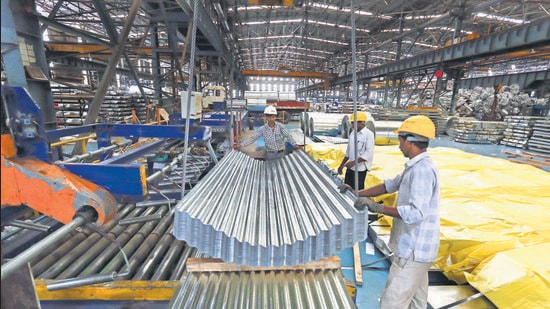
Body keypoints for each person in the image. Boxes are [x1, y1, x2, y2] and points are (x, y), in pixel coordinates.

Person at [352, 115, 440, 309]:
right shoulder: (414, 167)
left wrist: (377, 207)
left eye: (401, 140)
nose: (399, 145)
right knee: (417, 302)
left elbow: (416, 213)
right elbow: (390, 185)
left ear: (410, 141)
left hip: (413, 252)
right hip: (419, 253)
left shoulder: (422, 171)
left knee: (391, 304)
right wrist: (358, 193)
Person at [234, 105, 301, 160]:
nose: (271, 118)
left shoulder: (280, 127)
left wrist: (295, 144)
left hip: (281, 154)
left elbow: (288, 136)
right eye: (269, 117)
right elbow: (253, 138)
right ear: (266, 117)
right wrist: (241, 145)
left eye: (273, 116)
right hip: (270, 154)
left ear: (275, 117)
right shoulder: (263, 129)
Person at [337, 111, 375, 191]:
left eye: (353, 123)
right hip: (350, 168)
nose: (352, 125)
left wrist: (353, 163)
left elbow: (368, 154)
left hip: (360, 169)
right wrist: (341, 165)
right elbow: (348, 151)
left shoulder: (369, 135)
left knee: (357, 191)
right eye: (351, 123)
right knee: (346, 188)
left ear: (361, 123)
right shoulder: (353, 133)